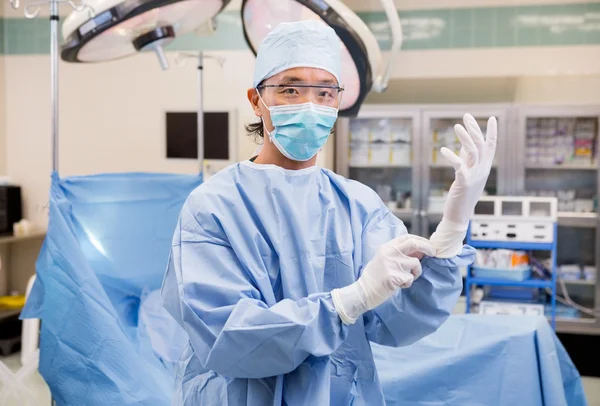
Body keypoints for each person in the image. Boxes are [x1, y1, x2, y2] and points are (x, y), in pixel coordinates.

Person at [161, 20, 497, 406]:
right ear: (256, 100)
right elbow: (226, 336)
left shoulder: (358, 205)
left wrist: (452, 230)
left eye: (324, 92)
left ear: (337, 102)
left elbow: (400, 320)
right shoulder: (213, 207)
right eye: (290, 89)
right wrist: (347, 302)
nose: (310, 105)